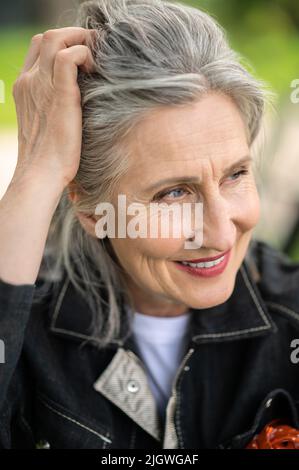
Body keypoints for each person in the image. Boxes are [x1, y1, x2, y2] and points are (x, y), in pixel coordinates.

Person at [0, 0, 298, 449]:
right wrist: (35, 175)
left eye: (235, 174)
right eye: (173, 193)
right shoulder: (24, 332)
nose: (219, 233)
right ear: (89, 207)